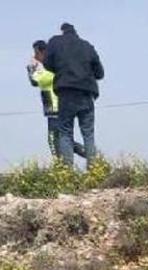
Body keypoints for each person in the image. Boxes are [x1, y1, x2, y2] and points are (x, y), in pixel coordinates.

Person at [44, 23, 104, 168]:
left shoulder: (55, 42)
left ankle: (68, 172)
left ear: (62, 31)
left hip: (66, 92)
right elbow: (100, 73)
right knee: (88, 133)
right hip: (86, 93)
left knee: (65, 132)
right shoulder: (87, 46)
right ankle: (94, 171)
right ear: (76, 32)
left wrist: (60, 71)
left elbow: (47, 64)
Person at [26, 41, 86, 161]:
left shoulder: (49, 71)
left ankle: (61, 167)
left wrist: (31, 68)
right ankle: (89, 155)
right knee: (64, 138)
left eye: (36, 53)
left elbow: (34, 81)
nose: (35, 56)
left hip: (55, 108)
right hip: (58, 108)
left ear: (43, 52)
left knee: (53, 139)